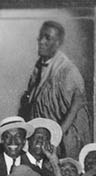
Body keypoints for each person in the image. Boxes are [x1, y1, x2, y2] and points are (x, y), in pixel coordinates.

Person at [19, 20, 90, 159]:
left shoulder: (68, 71)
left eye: (47, 38)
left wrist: (55, 139)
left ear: (57, 43)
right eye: (40, 37)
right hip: (40, 141)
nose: (41, 42)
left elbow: (77, 107)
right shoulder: (38, 69)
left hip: (61, 144)